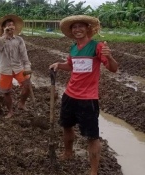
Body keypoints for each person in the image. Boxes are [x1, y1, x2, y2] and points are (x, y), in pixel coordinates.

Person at [49, 15, 118, 175]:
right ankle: (68, 152)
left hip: (88, 99)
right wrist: (59, 65)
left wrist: (109, 56)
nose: (77, 29)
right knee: (66, 126)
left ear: (88, 28)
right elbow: (72, 66)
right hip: (69, 95)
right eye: (74, 27)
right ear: (71, 31)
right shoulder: (73, 47)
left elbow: (113, 68)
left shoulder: (97, 46)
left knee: (92, 136)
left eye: (81, 26)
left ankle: (93, 171)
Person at [0, 14, 32, 118]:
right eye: (8, 25)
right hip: (5, 70)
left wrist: (27, 66)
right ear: (3, 27)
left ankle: (21, 103)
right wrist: (5, 36)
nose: (11, 27)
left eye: (12, 25)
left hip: (18, 68)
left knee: (27, 86)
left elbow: (24, 55)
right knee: (6, 92)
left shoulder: (19, 40)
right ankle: (10, 111)